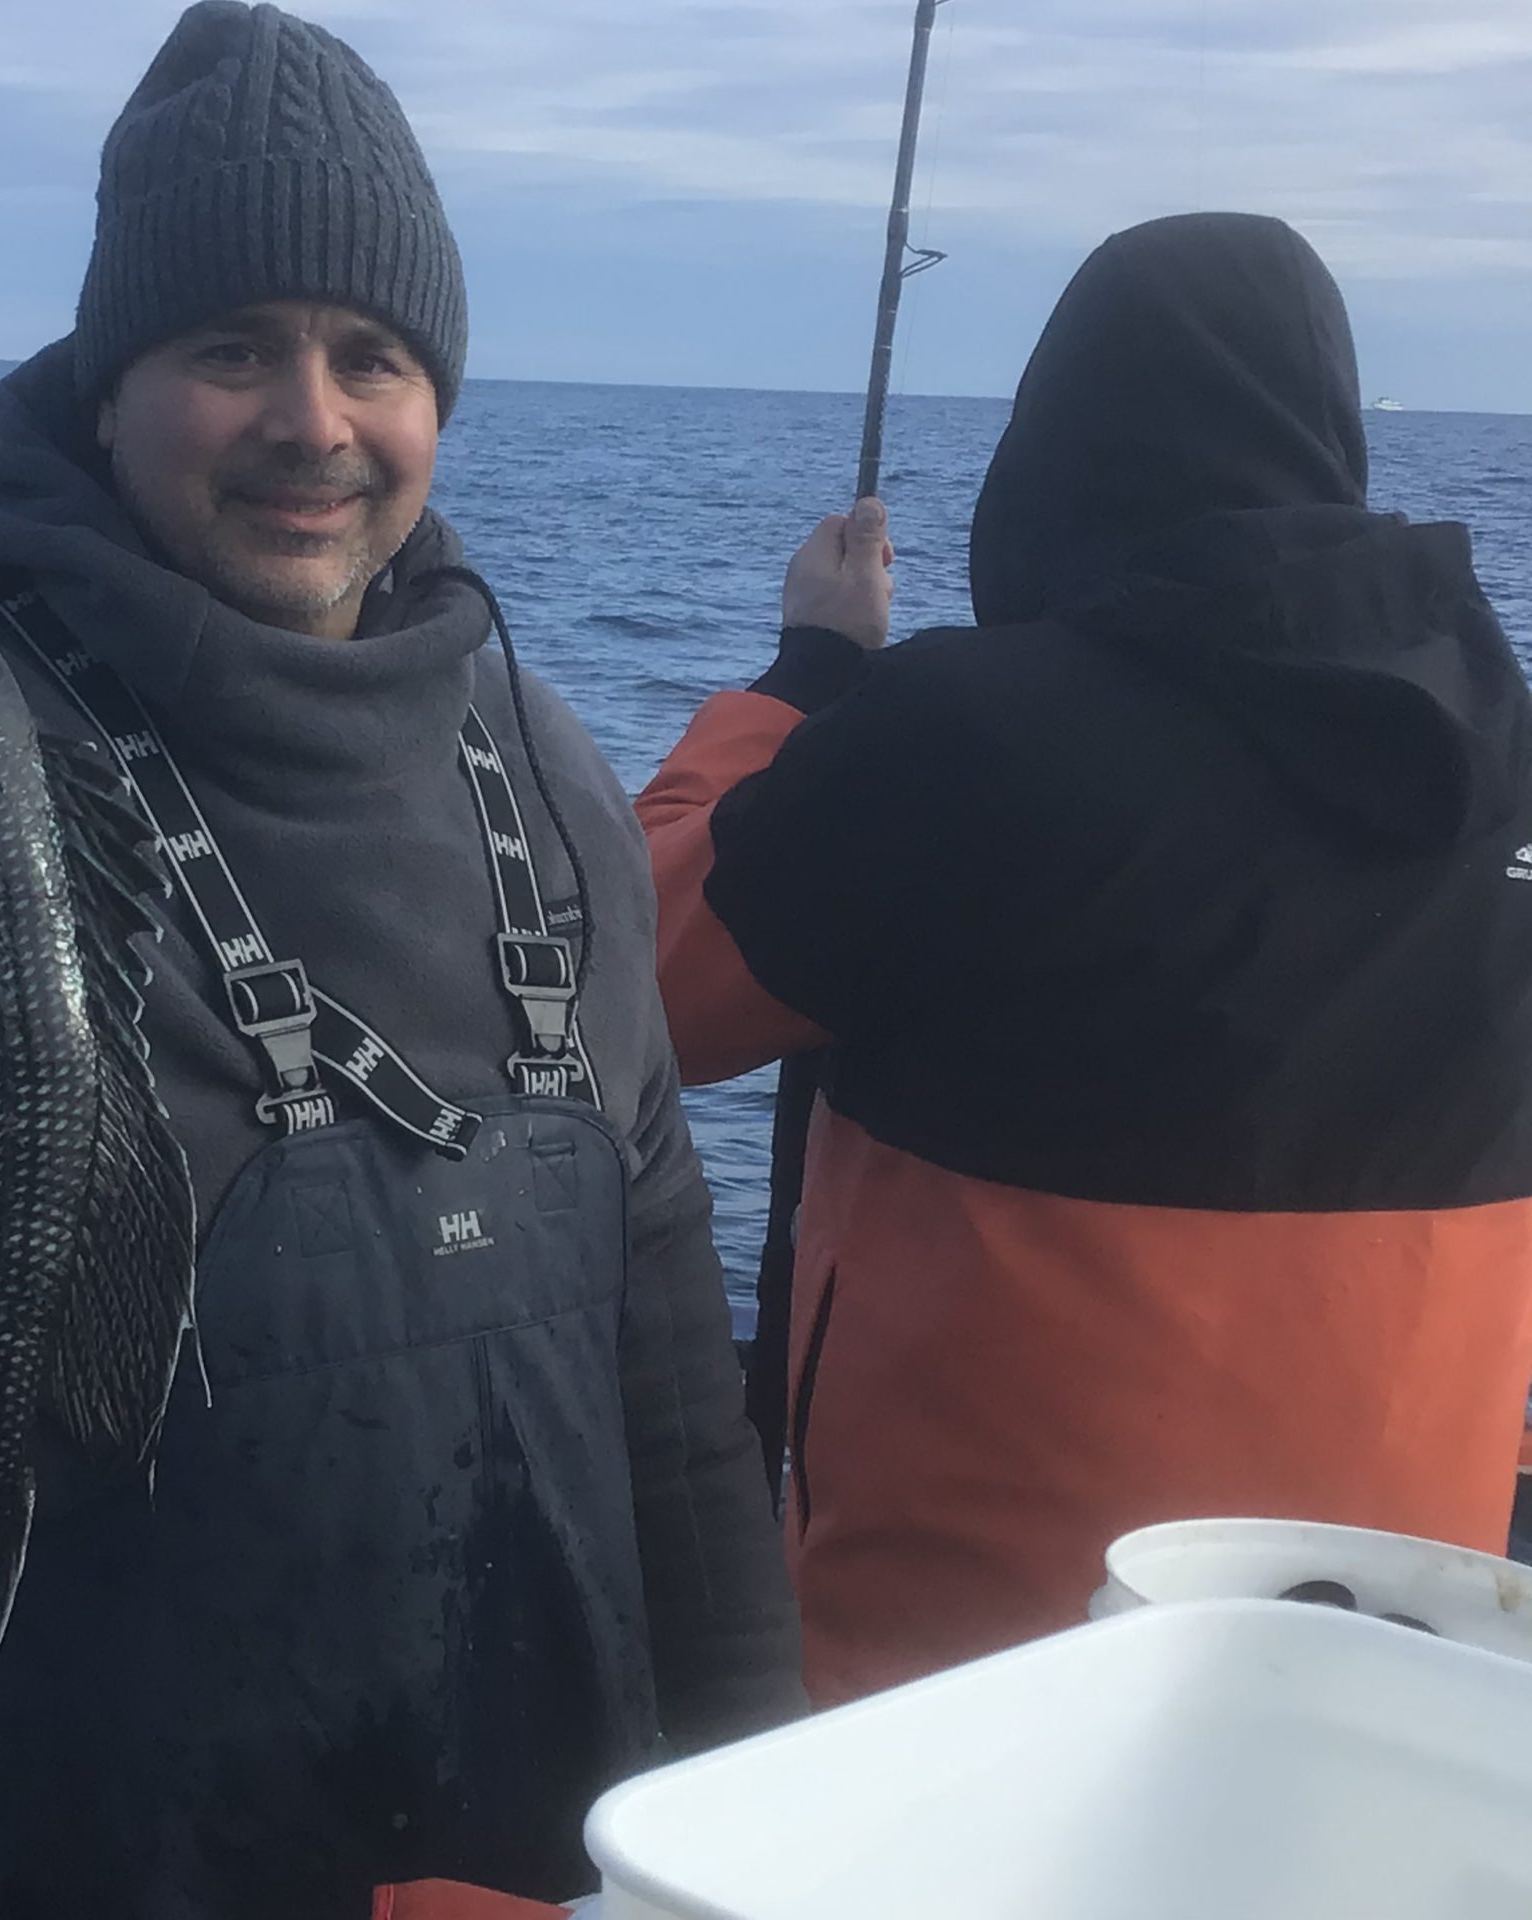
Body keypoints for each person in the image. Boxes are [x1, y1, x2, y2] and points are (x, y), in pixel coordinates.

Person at [0, 3, 801, 1913]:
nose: (313, 421)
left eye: (372, 356)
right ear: (108, 391)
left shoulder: (546, 764)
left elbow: (667, 1360)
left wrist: (759, 1797)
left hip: (526, 1854)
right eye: (232, 348)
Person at [638, 211, 1532, 1707]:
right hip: (1386, 1679)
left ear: (1056, 443)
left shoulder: (961, 736)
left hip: (961, 1698)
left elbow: (633, 983)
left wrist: (808, 676)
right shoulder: (1507, 762)